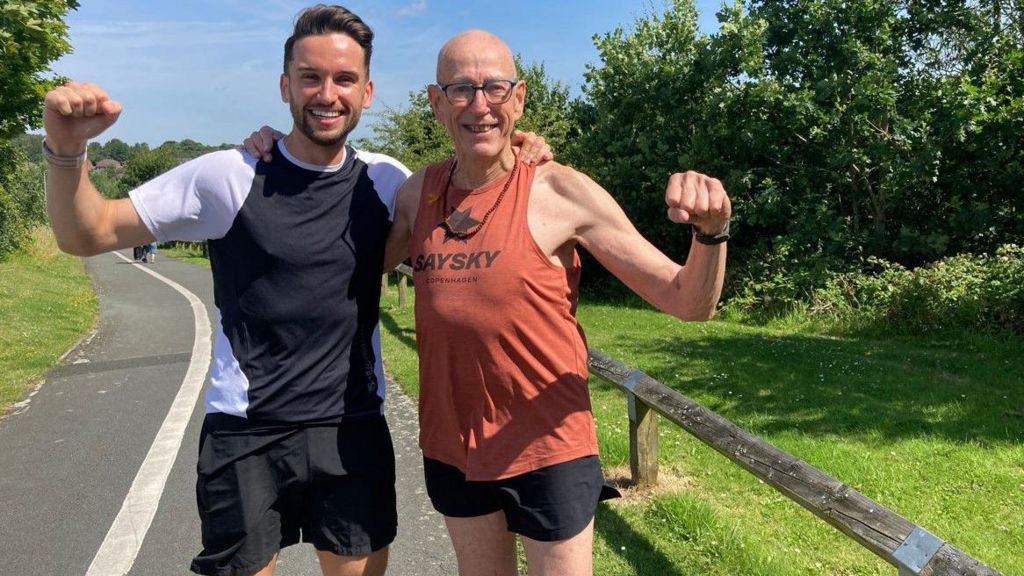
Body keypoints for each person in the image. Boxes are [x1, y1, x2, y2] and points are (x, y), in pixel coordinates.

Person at [42, 6, 548, 576]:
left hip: (352, 428)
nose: (326, 94)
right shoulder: (228, 175)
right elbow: (87, 232)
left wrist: (519, 152)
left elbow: (479, 194)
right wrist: (66, 149)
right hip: (247, 431)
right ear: (285, 86)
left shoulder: (388, 182)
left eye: (344, 79)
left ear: (368, 92)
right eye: (310, 77)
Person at [247, 27, 731, 576]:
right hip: (454, 449)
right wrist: (280, 155)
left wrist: (711, 233)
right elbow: (347, 265)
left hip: (549, 449)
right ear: (436, 103)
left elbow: (688, 301)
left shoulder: (562, 192)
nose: (480, 105)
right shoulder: (417, 194)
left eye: (495, 88)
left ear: (518, 98)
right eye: (460, 89)